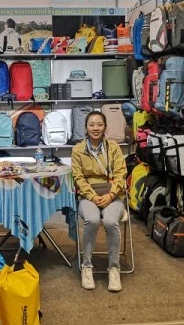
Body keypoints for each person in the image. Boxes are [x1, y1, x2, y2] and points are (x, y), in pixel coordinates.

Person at [71, 111, 127, 292]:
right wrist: (92, 196)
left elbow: (121, 174)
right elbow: (78, 178)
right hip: (89, 195)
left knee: (111, 221)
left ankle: (114, 268)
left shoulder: (114, 148)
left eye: (99, 124)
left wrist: (111, 195)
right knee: (92, 220)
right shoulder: (78, 150)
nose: (95, 128)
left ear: (105, 127)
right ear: (86, 128)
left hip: (113, 194)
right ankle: (86, 266)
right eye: (92, 124)